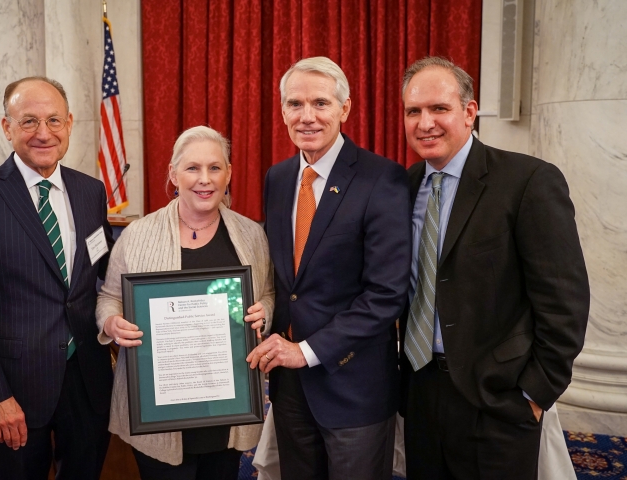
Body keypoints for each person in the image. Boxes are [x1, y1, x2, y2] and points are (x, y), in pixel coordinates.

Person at [399, 56, 590, 479]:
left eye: (439, 109)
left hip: (498, 397)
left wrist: (535, 394)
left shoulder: (527, 181)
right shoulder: (405, 185)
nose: (425, 122)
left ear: (469, 112)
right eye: (414, 111)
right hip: (419, 388)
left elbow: (565, 302)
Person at [246, 57, 412, 480]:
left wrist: (305, 351)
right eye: (295, 104)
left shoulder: (383, 178)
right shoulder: (278, 178)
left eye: (320, 103)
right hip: (289, 391)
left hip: (353, 385)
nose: (307, 116)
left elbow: (387, 294)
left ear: (345, 108)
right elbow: (286, 280)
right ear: (282, 111)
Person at [0, 77, 114, 479]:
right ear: (7, 127)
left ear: (70, 124)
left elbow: (100, 274)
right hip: (16, 386)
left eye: (54, 120)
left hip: (87, 379)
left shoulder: (91, 191)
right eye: (29, 121)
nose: (43, 133)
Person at [96, 126, 274, 480]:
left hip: (227, 404)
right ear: (173, 174)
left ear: (229, 174)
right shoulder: (137, 235)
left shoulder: (252, 234)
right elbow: (109, 297)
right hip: (158, 410)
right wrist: (111, 323)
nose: (204, 179)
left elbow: (267, 292)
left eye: (215, 168)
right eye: (192, 168)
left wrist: (265, 311)